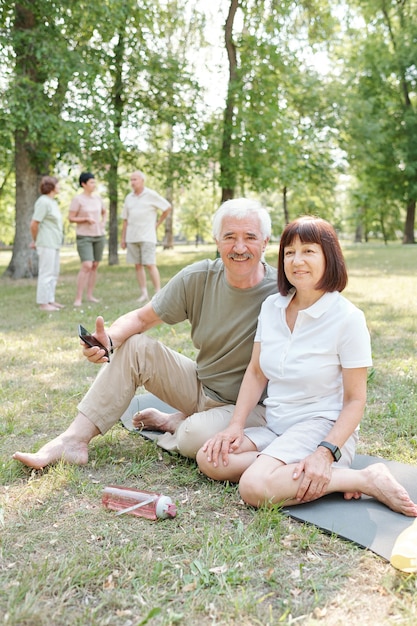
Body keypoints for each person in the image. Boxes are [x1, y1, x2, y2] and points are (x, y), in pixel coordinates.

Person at [13, 198, 277, 470]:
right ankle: (73, 441)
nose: (240, 247)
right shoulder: (199, 277)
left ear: (265, 242)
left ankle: (176, 421)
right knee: (134, 347)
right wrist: (109, 340)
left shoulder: (282, 289)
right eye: (230, 237)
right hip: (202, 385)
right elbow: (141, 317)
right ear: (217, 240)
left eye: (250, 237)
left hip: (248, 408)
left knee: (193, 437)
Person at [197, 216, 417, 518]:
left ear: (330, 257)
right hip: (276, 426)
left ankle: (364, 478)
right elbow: (257, 372)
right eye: (289, 252)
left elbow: (356, 400)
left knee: (253, 487)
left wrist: (325, 453)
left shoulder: (347, 318)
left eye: (308, 251)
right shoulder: (272, 306)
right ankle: (294, 472)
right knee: (210, 458)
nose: (297, 261)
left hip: (322, 427)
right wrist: (236, 425)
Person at [121, 170, 171, 302]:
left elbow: (167, 207)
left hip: (147, 236)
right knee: (137, 265)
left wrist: (158, 223)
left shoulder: (151, 195)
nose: (132, 182)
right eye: (131, 179)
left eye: (135, 179)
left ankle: (158, 293)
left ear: (142, 181)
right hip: (132, 236)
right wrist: (123, 239)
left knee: (150, 264)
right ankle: (144, 293)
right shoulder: (129, 198)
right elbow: (125, 220)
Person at [69, 172, 107, 306]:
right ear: (83, 184)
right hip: (84, 236)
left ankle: (90, 295)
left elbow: (104, 212)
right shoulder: (78, 199)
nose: (94, 185)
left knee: (95, 266)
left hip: (99, 235)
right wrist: (85, 219)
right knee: (87, 265)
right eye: (91, 182)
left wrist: (103, 223)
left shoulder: (98, 198)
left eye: (94, 182)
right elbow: (71, 218)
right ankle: (78, 298)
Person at [30, 175, 64, 312]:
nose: (60, 187)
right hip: (45, 242)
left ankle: (50, 300)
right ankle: (43, 303)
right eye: (58, 184)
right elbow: (34, 224)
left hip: (54, 243)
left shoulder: (52, 202)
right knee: (46, 273)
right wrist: (35, 240)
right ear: (51, 186)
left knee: (54, 272)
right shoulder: (43, 202)